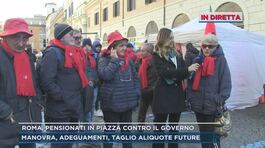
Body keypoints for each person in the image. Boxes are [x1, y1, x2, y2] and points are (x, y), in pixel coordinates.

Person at [39, 23, 88, 148]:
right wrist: (63, 97)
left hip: (72, 108)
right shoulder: (52, 53)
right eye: (70, 34)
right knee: (60, 144)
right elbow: (47, 82)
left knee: (68, 144)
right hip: (59, 111)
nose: (74, 37)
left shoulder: (69, 52)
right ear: (61, 37)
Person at [151, 28, 199, 148]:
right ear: (164, 38)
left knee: (173, 129)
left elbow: (181, 73)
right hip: (162, 96)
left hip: (176, 95)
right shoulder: (156, 55)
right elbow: (164, 73)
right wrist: (185, 70)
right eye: (170, 38)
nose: (173, 40)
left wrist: (190, 71)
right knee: (159, 128)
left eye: (173, 37)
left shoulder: (177, 54)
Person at [0, 18, 43, 148]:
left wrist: (38, 102)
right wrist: (5, 112)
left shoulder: (27, 57)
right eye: (16, 38)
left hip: (29, 119)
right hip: (6, 122)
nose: (21, 43)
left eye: (24, 38)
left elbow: (34, 84)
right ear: (5, 37)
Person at [187, 34, 232, 148]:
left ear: (216, 47)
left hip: (212, 106)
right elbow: (190, 81)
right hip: (198, 105)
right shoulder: (197, 59)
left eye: (210, 46)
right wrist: (191, 98)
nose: (206, 48)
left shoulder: (221, 60)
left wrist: (218, 99)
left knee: (213, 138)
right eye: (204, 45)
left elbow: (226, 83)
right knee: (204, 137)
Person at [98, 31, 140, 148]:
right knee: (110, 134)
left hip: (127, 104)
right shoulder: (104, 60)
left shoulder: (129, 61)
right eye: (121, 46)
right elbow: (106, 75)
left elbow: (136, 79)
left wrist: (136, 94)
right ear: (113, 48)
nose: (124, 48)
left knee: (126, 134)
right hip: (112, 105)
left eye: (125, 45)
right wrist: (114, 61)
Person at [137, 43, 157, 122]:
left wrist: (151, 89)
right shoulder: (140, 61)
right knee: (141, 113)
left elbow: (156, 78)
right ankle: (139, 130)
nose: (140, 53)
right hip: (143, 91)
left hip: (151, 91)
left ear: (148, 52)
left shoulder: (154, 62)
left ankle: (158, 130)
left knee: (156, 113)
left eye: (142, 51)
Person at [92, 39, 103, 117]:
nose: (98, 48)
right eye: (97, 47)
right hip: (96, 79)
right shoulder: (95, 55)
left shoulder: (99, 55)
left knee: (98, 96)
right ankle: (95, 109)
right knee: (95, 96)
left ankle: (96, 109)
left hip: (98, 79)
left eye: (99, 47)